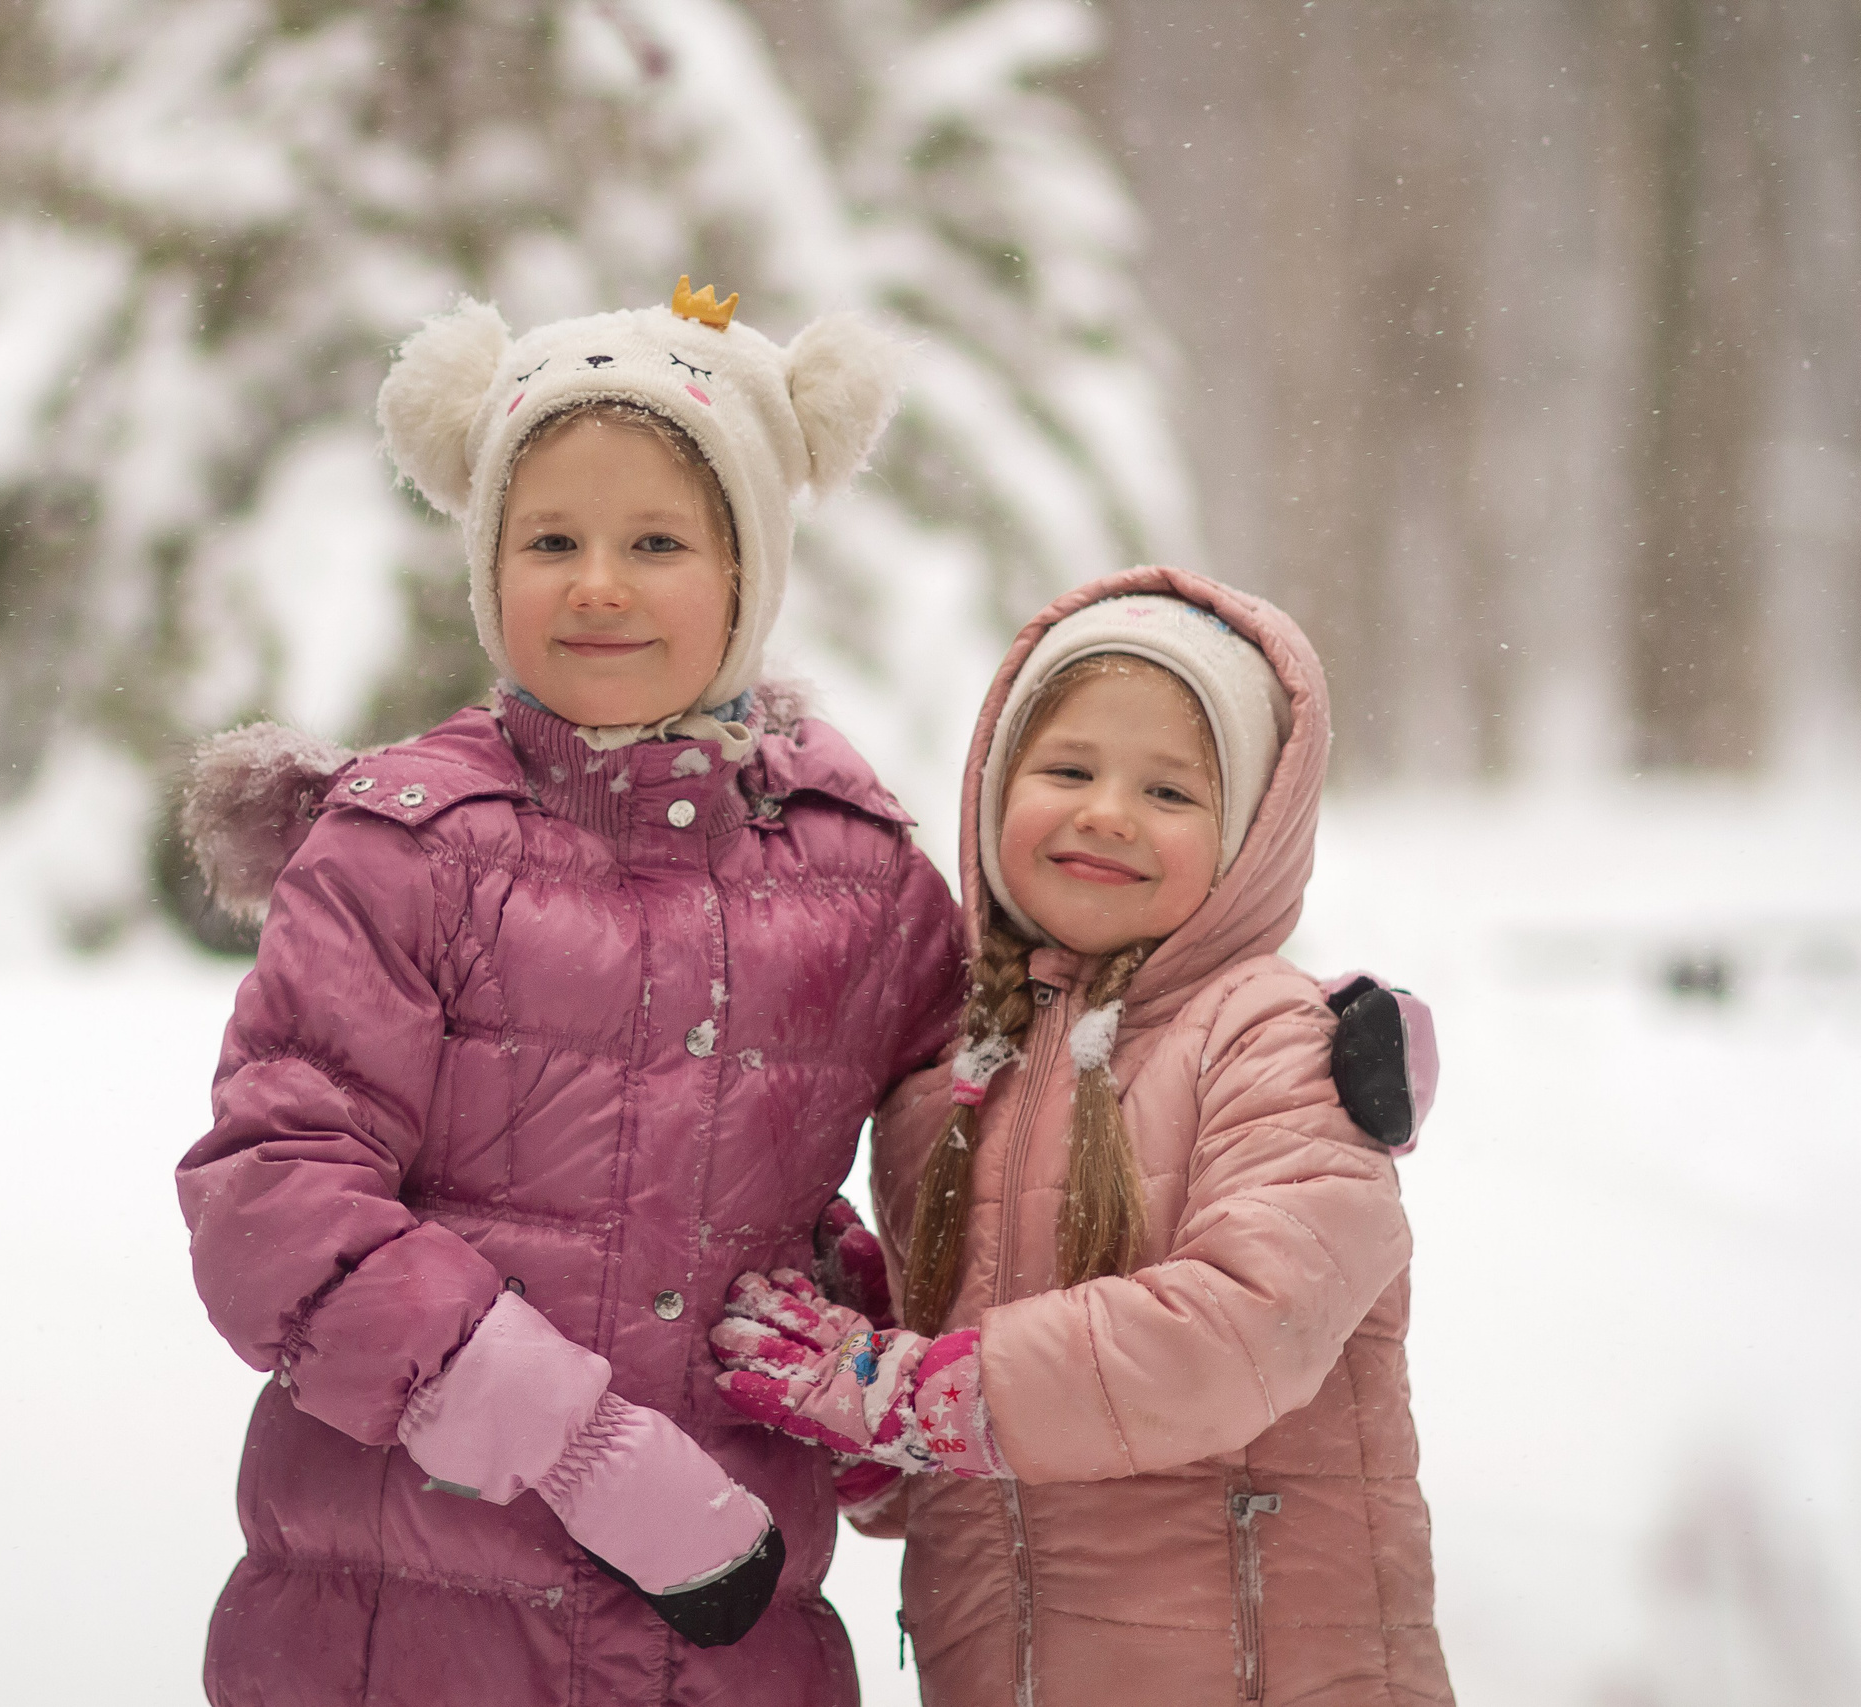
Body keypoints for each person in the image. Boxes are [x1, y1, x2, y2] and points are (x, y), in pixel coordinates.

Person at [173, 282, 968, 1706]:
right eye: (551, 540)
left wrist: (1289, 1040)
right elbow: (275, 1204)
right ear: (487, 567)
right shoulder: (407, 848)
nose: (597, 582)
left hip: (724, 1648)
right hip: (399, 1634)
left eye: (656, 540)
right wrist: (587, 1453)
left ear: (750, 573)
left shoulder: (858, 877)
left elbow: (1017, 1114)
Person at [710, 568, 1454, 1706]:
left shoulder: (1271, 1038)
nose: (1106, 812)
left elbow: (1245, 1327)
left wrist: (916, 1389)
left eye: (1168, 791)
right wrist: (867, 1419)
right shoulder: (949, 1087)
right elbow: (952, 1471)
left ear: (1250, 836)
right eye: (1066, 771)